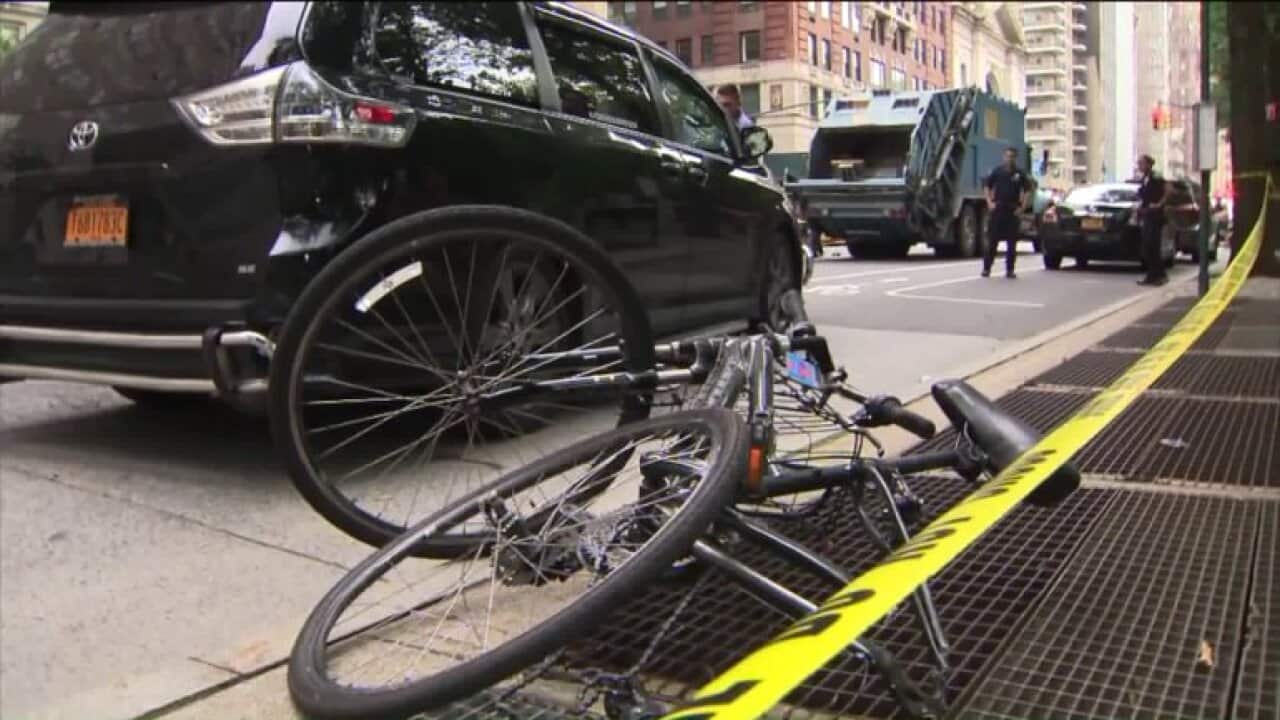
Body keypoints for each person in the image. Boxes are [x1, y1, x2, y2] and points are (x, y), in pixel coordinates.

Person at [982, 147, 1031, 278]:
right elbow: (987, 185)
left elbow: (1027, 190)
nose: (1009, 159)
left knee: (1012, 244)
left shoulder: (1020, 174)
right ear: (1003, 157)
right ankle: (987, 268)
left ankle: (1010, 270)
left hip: (1012, 210)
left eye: (1012, 156)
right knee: (992, 241)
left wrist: (1022, 207)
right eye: (1007, 156)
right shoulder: (997, 171)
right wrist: (989, 202)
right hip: (998, 209)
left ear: (1015, 158)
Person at [1135, 154, 1170, 286]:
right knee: (1147, 247)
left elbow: (1168, 189)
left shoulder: (1156, 176)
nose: (1139, 166)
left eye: (1141, 163)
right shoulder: (1145, 178)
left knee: (1153, 245)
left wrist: (1159, 204)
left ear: (1149, 164)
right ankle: (1151, 275)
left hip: (1156, 216)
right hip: (1147, 214)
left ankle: (1161, 275)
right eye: (1138, 163)